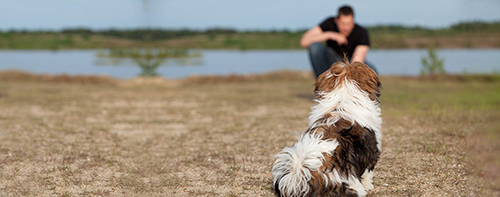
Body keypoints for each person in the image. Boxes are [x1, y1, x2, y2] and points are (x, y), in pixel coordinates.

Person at [300, 5, 377, 78]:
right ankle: (322, 85)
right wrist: (330, 35)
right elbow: (304, 41)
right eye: (343, 23)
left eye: (349, 24)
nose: (346, 28)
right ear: (336, 20)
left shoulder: (361, 32)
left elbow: (357, 61)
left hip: (351, 61)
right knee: (315, 46)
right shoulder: (329, 23)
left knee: (373, 71)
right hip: (331, 59)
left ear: (353, 21)